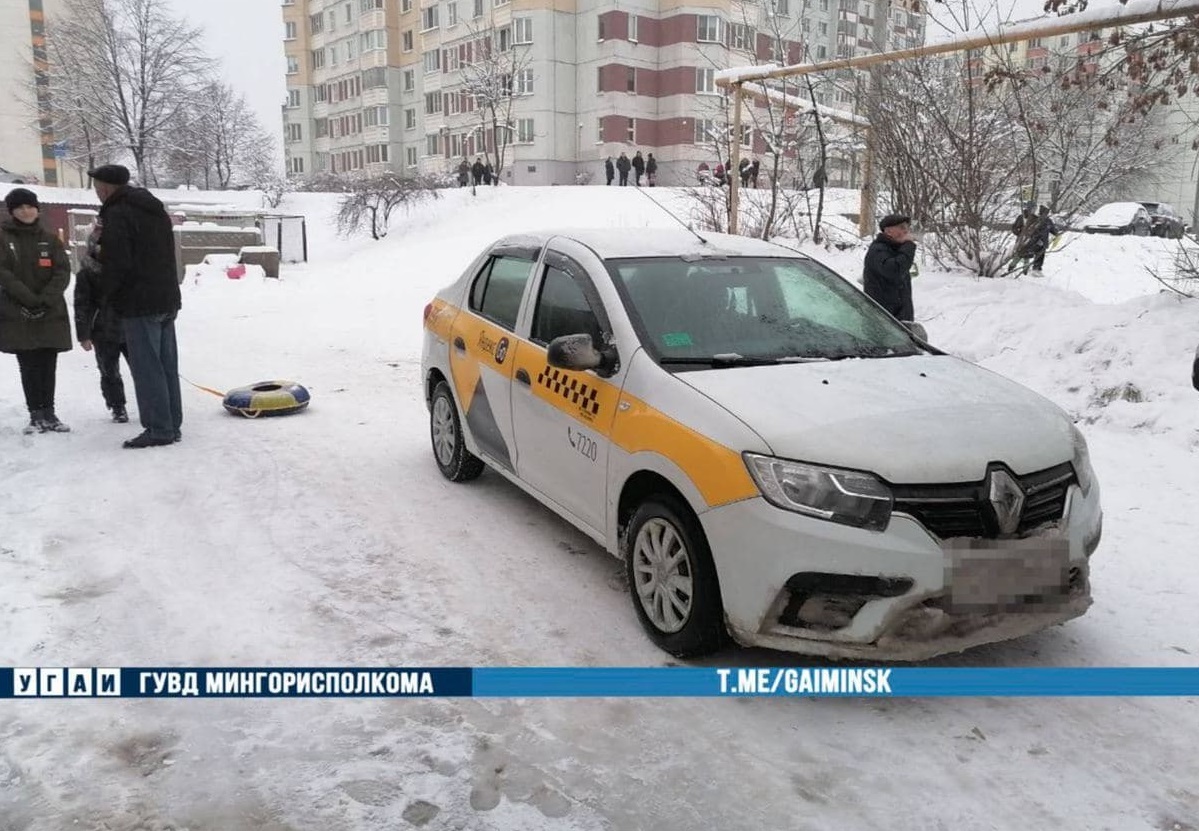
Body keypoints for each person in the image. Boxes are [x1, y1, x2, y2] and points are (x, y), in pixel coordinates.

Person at [89, 164, 183, 449]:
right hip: (166, 298)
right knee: (166, 366)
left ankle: (158, 428)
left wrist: (109, 296)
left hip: (139, 302)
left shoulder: (118, 214)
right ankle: (171, 424)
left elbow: (118, 262)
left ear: (105, 187)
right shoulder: (154, 210)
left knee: (147, 368)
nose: (96, 193)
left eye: (96, 187)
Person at [0, 188, 72, 433]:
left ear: (37, 209)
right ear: (12, 211)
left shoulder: (50, 239)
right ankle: (35, 413)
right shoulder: (3, 238)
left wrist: (45, 300)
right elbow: (4, 274)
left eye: (29, 206)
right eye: (19, 207)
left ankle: (50, 413)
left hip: (49, 312)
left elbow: (62, 272)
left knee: (47, 362)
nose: (26, 211)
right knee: (29, 363)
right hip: (17, 312)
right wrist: (28, 300)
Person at [74, 215, 129, 423]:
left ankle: (149, 403)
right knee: (109, 371)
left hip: (130, 328)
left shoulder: (127, 271)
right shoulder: (87, 273)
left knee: (143, 370)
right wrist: (84, 335)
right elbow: (82, 304)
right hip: (102, 331)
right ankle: (117, 406)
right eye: (100, 246)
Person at [862, 213, 917, 322]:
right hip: (883, 321)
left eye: (907, 228)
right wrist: (908, 246)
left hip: (900, 319)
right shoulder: (878, 250)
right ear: (888, 231)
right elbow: (894, 270)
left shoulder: (897, 250)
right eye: (901, 228)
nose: (906, 231)